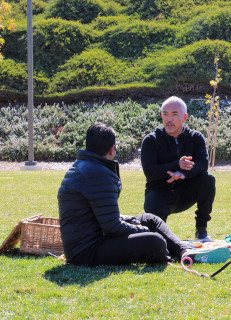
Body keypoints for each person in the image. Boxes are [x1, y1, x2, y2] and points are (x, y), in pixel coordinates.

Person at [58, 123, 192, 266]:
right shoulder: (98, 173)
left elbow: (101, 217)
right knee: (155, 241)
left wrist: (133, 222)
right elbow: (112, 227)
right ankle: (173, 254)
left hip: (90, 241)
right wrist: (141, 229)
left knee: (150, 219)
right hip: (87, 252)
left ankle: (184, 251)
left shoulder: (85, 165)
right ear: (112, 149)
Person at [141, 96, 215, 241]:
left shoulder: (196, 138)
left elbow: (202, 164)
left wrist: (183, 174)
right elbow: (150, 171)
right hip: (159, 193)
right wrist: (176, 165)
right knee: (156, 239)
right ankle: (160, 238)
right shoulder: (151, 140)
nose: (169, 119)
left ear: (185, 117)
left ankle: (201, 230)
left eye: (174, 114)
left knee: (207, 179)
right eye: (165, 114)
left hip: (186, 192)